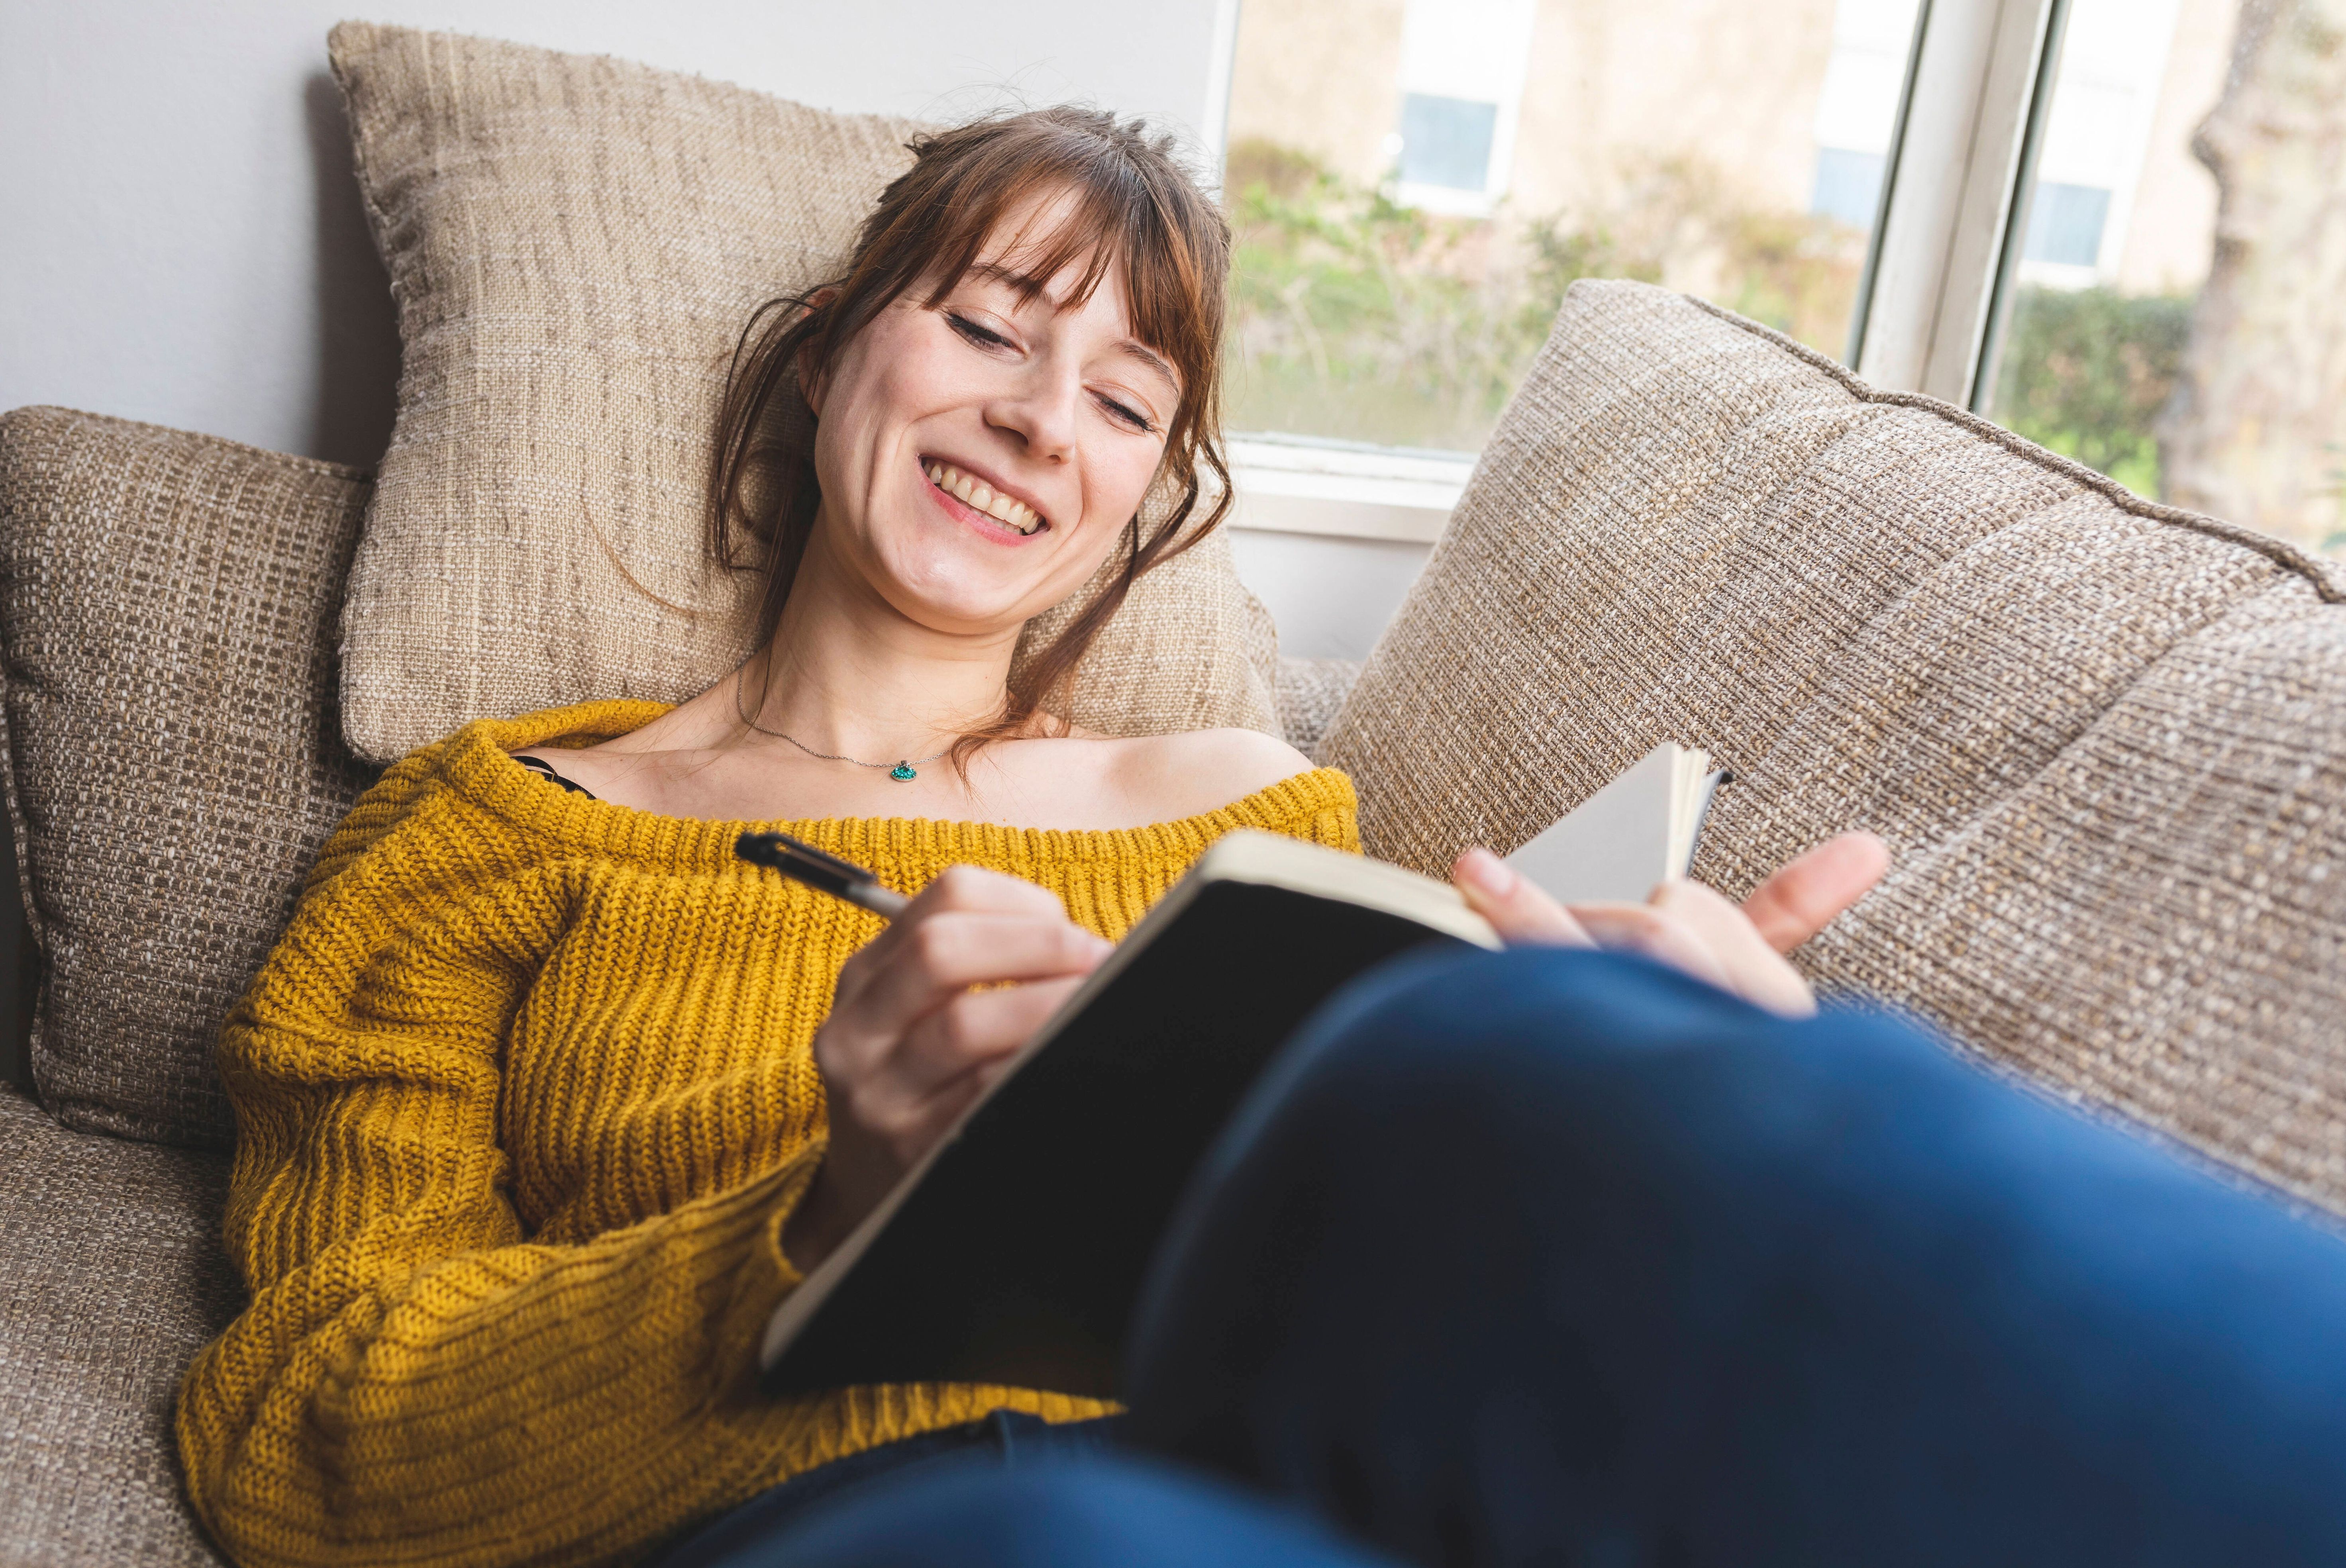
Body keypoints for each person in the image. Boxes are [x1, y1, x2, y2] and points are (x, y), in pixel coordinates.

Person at [174, 106, 1884, 1568]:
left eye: (1127, 404)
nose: (1043, 421)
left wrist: (1673, 1106)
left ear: (1141, 498)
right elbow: (297, 1438)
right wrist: (829, 1225)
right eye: (992, 329)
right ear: (835, 342)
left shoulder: (1248, 806)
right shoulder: (495, 828)